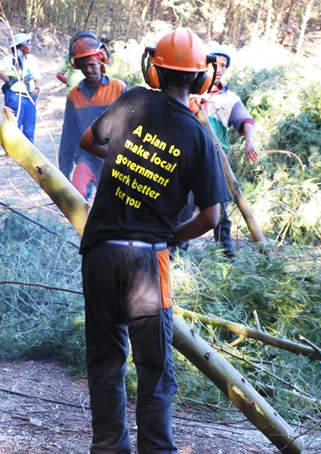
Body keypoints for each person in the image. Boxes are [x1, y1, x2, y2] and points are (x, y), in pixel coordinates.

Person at [78, 28, 231, 453]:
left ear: (154, 69)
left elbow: (89, 141)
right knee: (155, 371)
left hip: (100, 253)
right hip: (148, 260)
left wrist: (131, 161)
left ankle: (109, 448)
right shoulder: (200, 136)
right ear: (201, 79)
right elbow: (211, 217)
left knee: (105, 364)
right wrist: (172, 237)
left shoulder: (132, 101)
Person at [188, 48, 259, 257]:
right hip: (189, 158)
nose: (218, 70)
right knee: (184, 206)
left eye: (223, 66)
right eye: (215, 64)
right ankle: (174, 253)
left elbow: (245, 120)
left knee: (220, 209)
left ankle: (226, 257)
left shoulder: (229, 98)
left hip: (216, 161)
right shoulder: (191, 91)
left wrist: (250, 142)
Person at [58, 33, 126, 199]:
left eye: (92, 64)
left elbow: (132, 127)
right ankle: (81, 225)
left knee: (115, 204)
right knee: (77, 195)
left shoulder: (118, 88)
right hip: (86, 156)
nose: (88, 70)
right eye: (84, 66)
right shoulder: (74, 95)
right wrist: (63, 173)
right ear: (77, 66)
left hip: (113, 157)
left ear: (101, 61)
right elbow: (69, 134)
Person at [0, 32, 42, 143]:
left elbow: (37, 77)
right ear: (22, 46)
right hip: (15, 96)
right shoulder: (10, 60)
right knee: (15, 124)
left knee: (29, 126)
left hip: (30, 98)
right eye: (29, 44)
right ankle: (15, 149)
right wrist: (8, 80)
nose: (30, 46)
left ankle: (29, 150)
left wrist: (36, 89)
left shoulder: (30, 60)